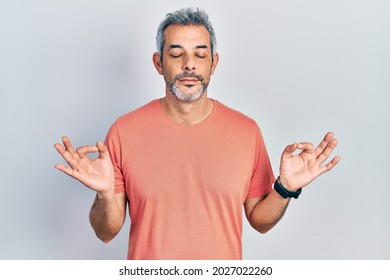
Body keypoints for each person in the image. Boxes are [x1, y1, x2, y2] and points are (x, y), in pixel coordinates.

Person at [54, 7, 340, 260]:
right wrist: (105, 194)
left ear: (213, 63)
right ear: (158, 63)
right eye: (176, 54)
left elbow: (260, 221)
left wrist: (286, 188)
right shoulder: (123, 131)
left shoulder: (246, 132)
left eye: (200, 54)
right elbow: (106, 232)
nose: (189, 64)